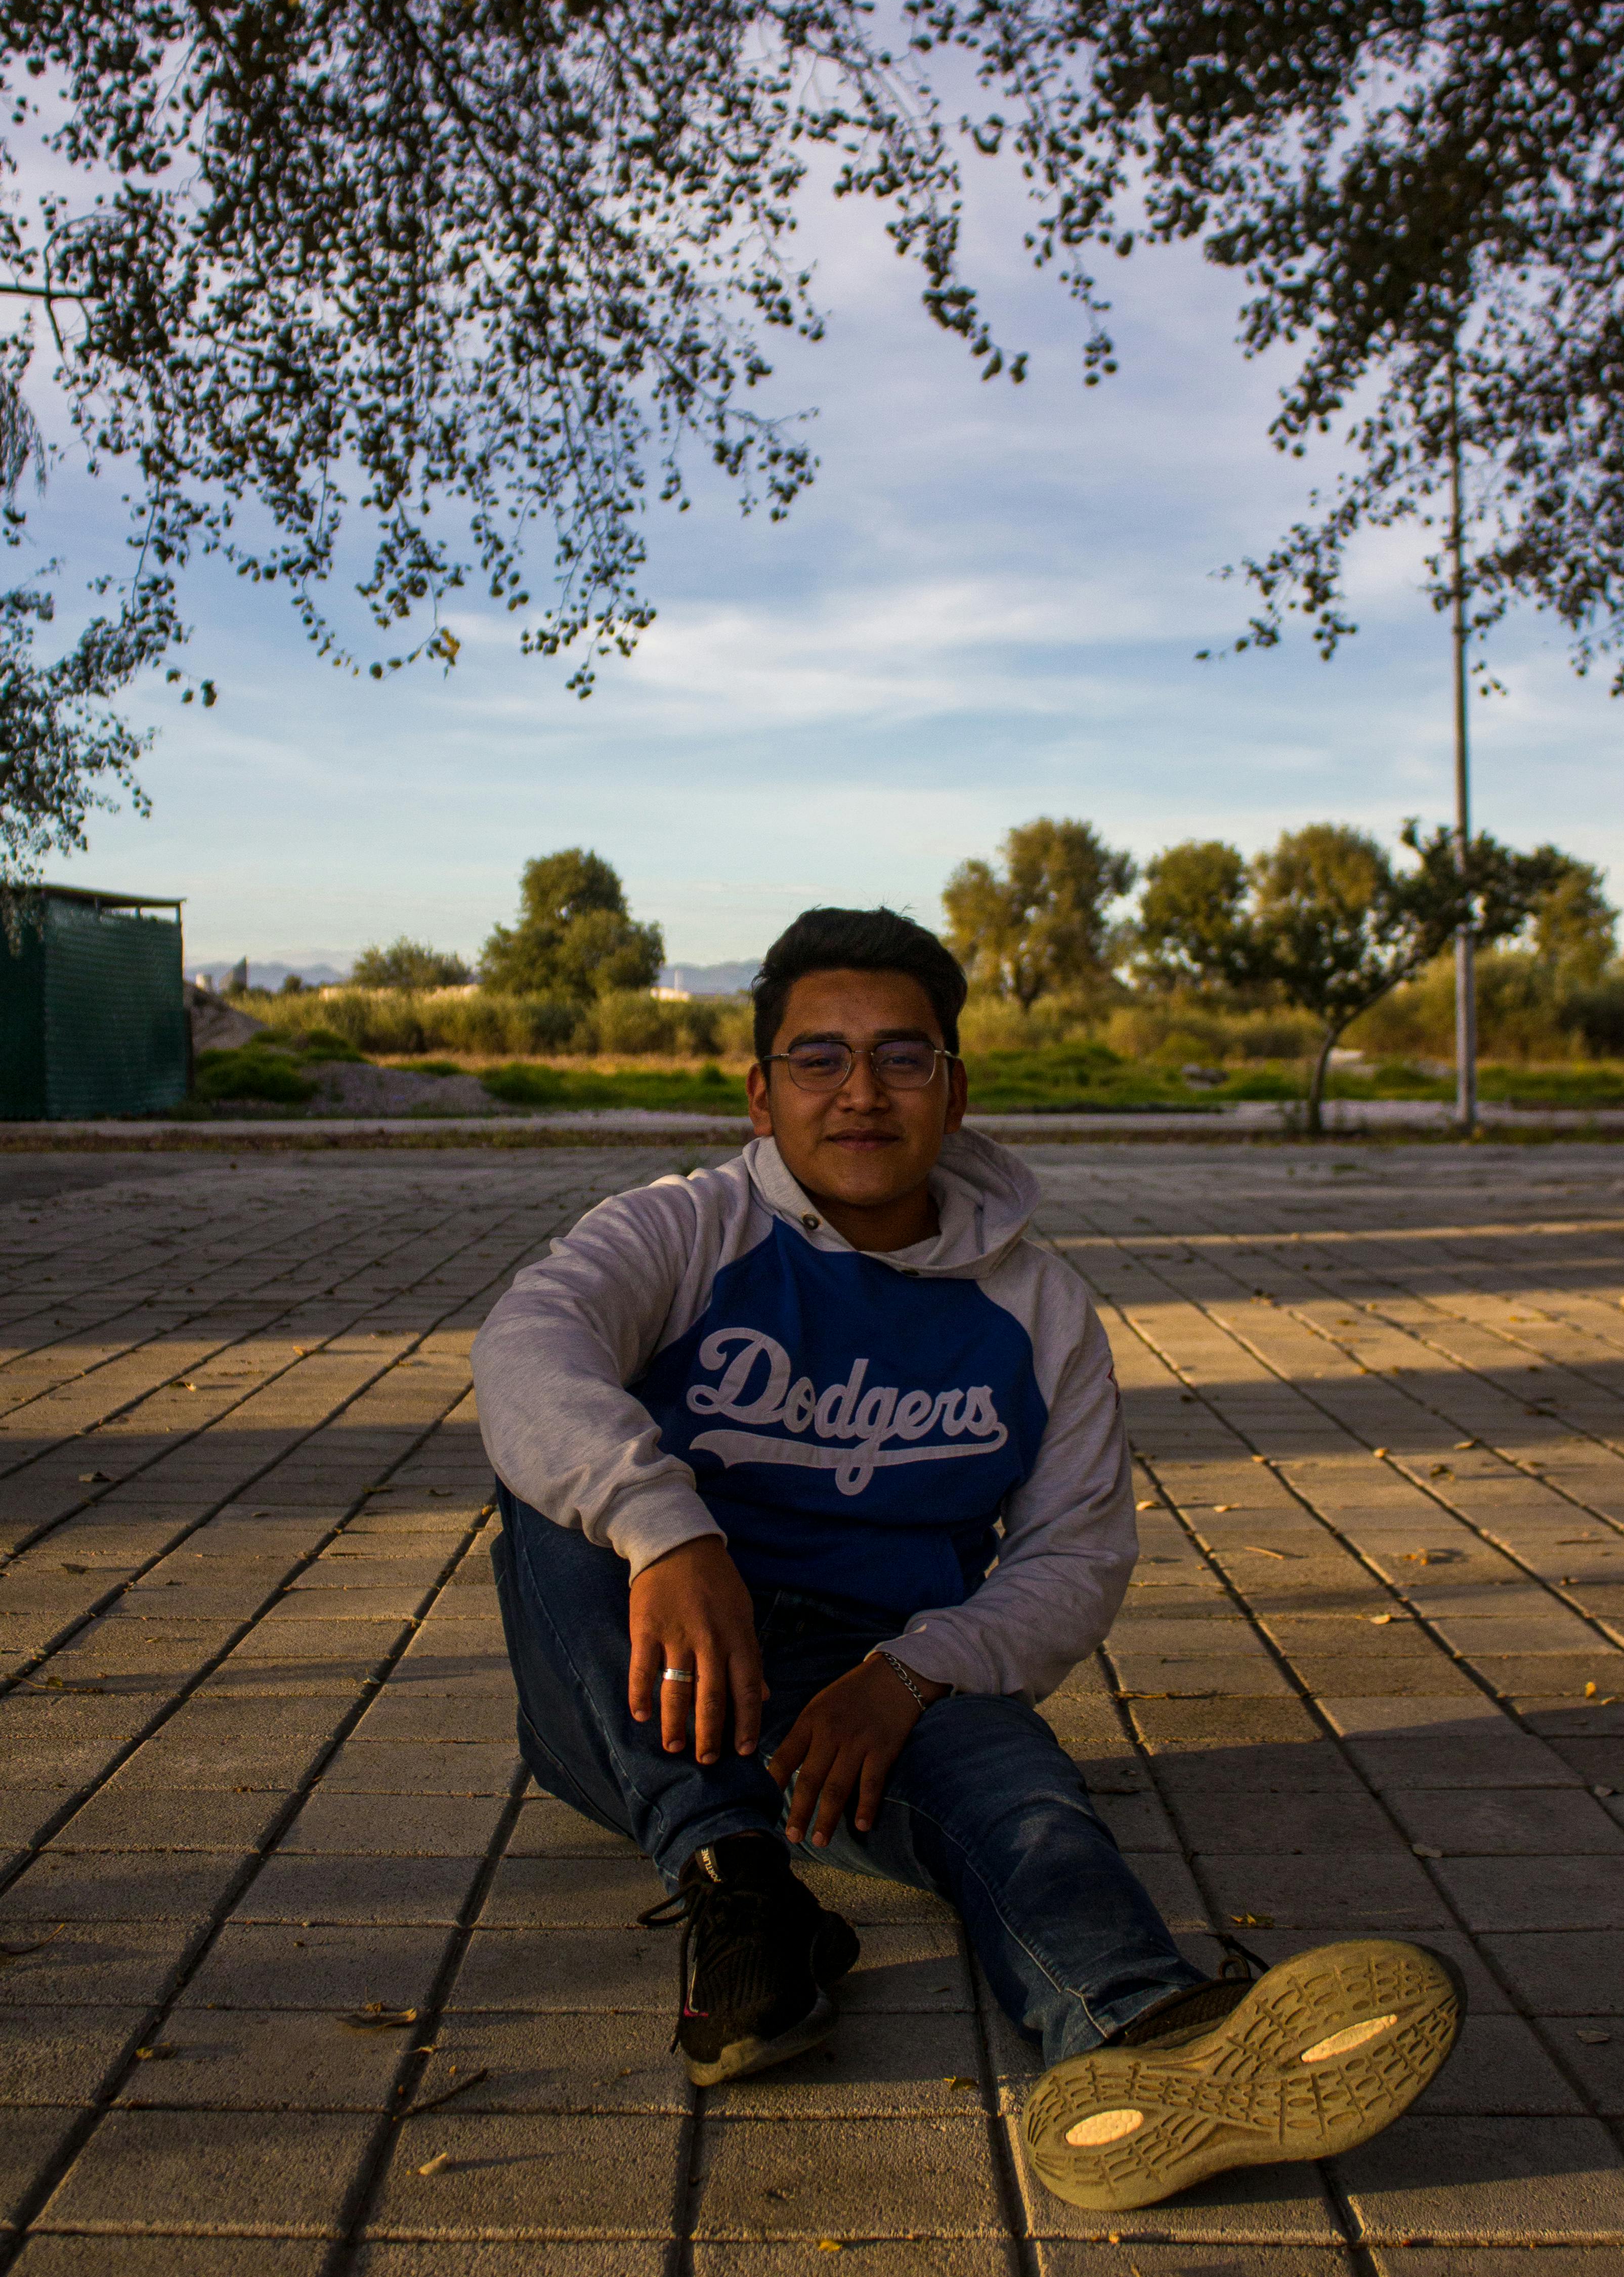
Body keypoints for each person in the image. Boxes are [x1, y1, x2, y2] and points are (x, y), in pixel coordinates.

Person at [472, 906, 1462, 2211]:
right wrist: (670, 1529)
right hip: (649, 1698)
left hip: (888, 1682)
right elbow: (524, 1347)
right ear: (760, 1095)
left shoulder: (1038, 1305)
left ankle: (1145, 2048)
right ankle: (740, 1893)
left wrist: (916, 1672)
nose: (863, 1092)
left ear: (955, 1088)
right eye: (819, 1059)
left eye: (903, 1056)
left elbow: (1077, 1554)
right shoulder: (684, 1233)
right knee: (557, 1506)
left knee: (1031, 1813)